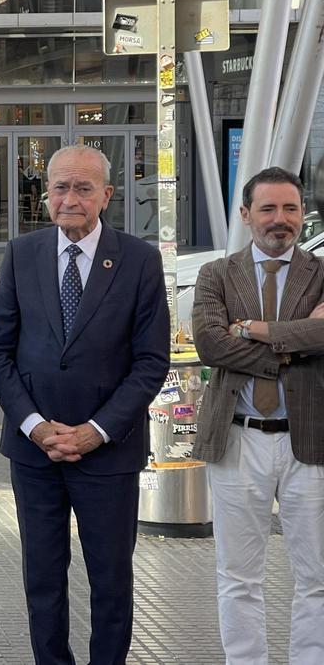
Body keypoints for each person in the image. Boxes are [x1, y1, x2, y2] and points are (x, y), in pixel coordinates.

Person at [0, 144, 169, 665]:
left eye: (83, 188)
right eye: (60, 187)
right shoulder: (21, 254)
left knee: (111, 582)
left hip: (108, 455)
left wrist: (96, 431)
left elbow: (151, 362)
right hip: (35, 454)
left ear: (106, 195)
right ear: (46, 195)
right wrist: (36, 427)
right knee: (42, 580)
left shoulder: (139, 260)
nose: (70, 199)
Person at [191, 166, 324, 664]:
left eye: (290, 208)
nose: (280, 219)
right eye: (267, 208)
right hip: (237, 439)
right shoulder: (216, 274)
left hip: (309, 440)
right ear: (246, 215)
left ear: (302, 214)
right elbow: (209, 344)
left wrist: (251, 329)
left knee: (317, 577)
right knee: (238, 576)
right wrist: (294, 341)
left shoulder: (321, 271)